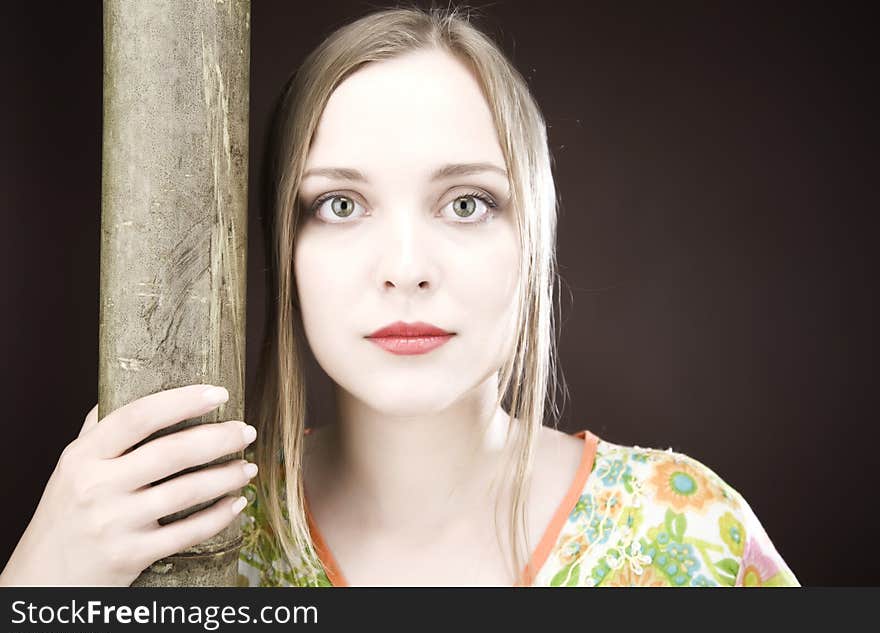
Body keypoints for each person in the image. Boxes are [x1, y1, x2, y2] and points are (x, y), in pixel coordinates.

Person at [0, 5, 799, 588]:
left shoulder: (691, 534)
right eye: (340, 205)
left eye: (466, 203)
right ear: (283, 248)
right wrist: (39, 581)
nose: (407, 268)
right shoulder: (186, 547)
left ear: (534, 238)